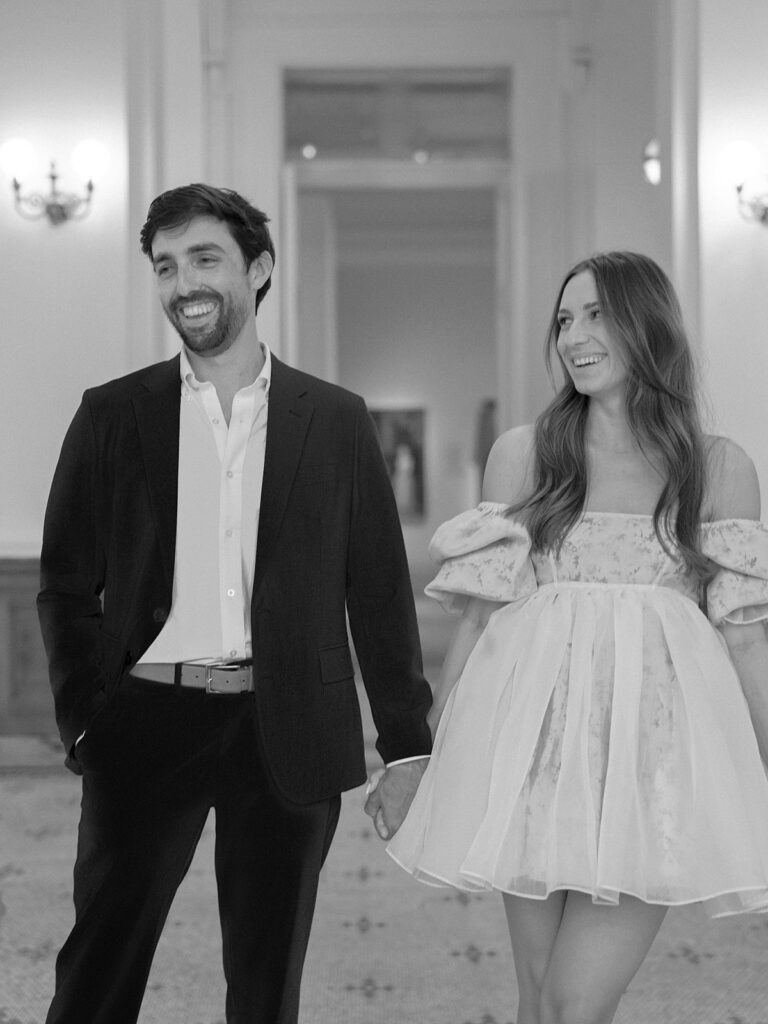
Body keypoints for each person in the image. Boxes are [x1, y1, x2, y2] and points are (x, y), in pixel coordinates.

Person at [37, 182, 431, 1024]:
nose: (184, 283)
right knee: (98, 968)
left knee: (264, 984)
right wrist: (83, 720)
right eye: (166, 266)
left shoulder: (335, 419)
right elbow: (67, 584)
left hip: (284, 725)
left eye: (204, 258)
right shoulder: (112, 416)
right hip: (144, 722)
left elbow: (380, 589)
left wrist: (406, 747)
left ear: (258, 269)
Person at [381, 251, 768, 1024]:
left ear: (647, 325)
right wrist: (430, 757)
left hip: (650, 769)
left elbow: (747, 639)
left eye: (596, 316)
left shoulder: (716, 467)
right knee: (537, 998)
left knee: (573, 1003)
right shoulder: (526, 455)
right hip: (538, 756)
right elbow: (484, 621)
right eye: (564, 320)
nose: (574, 337)